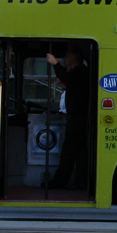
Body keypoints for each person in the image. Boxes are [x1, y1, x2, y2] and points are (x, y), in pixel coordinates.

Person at [45, 46, 90, 190]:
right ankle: (81, 181)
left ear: (74, 57)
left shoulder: (80, 71)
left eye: (67, 55)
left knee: (68, 151)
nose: (65, 58)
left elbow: (68, 79)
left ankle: (60, 181)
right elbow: (73, 86)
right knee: (80, 152)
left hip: (78, 118)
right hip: (79, 117)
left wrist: (55, 63)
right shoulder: (79, 73)